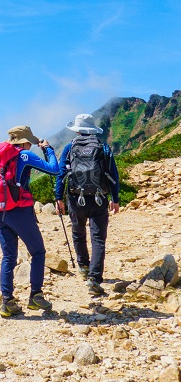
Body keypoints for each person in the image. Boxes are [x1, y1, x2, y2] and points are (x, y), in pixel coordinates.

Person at [0, 125, 60, 317]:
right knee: (38, 252)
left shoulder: (0, 155)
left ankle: (7, 301)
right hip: (20, 211)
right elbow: (54, 170)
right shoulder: (24, 155)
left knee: (8, 257)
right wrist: (48, 149)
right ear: (23, 142)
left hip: (0, 211)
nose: (30, 146)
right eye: (29, 143)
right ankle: (35, 296)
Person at [54, 114, 120, 296]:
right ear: (92, 130)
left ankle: (83, 266)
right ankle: (95, 278)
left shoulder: (70, 147)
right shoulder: (102, 146)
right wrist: (115, 198)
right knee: (98, 239)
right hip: (99, 199)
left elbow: (61, 174)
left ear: (77, 129)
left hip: (76, 198)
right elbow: (113, 174)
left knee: (78, 232)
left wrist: (58, 197)